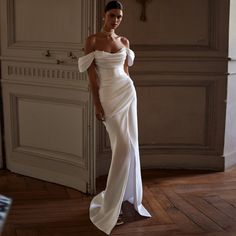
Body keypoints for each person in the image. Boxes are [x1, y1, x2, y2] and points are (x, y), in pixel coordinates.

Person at [78, 1, 151, 234]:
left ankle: (121, 197)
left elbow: (126, 72)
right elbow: (92, 79)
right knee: (122, 148)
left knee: (129, 145)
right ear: (104, 15)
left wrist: (130, 91)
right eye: (112, 15)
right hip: (108, 97)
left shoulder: (124, 42)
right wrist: (97, 104)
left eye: (119, 16)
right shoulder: (92, 41)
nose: (116, 20)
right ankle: (111, 204)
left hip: (128, 93)